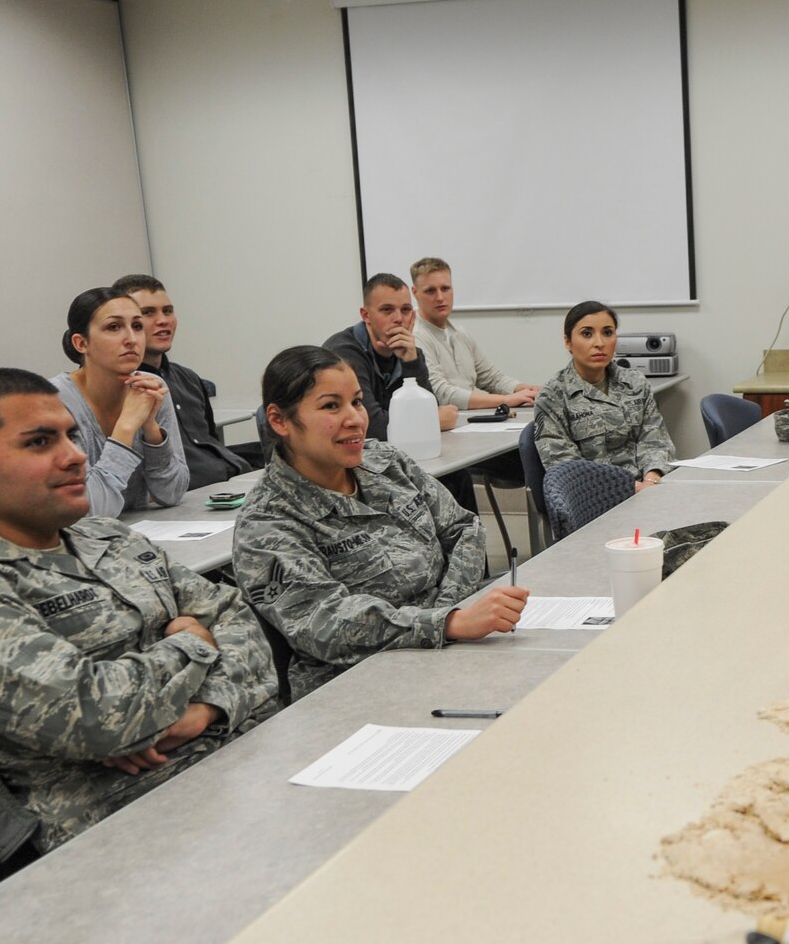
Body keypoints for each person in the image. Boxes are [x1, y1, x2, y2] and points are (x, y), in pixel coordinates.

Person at [0, 368, 277, 853]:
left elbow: (242, 623)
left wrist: (207, 707)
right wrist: (191, 642)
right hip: (123, 835)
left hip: (243, 768)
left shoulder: (107, 537)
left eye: (72, 435)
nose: (75, 456)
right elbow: (99, 716)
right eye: (39, 442)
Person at [231, 346, 527, 701]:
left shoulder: (385, 461)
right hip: (361, 685)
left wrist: (449, 614)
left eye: (356, 401)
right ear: (280, 421)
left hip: (451, 645)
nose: (355, 418)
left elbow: (464, 528)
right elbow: (325, 623)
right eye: (330, 406)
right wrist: (446, 623)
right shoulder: (268, 521)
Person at [51, 287, 188, 514]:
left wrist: (151, 429)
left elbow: (172, 493)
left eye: (137, 327)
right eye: (114, 327)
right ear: (81, 343)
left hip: (136, 535)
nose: (132, 340)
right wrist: (126, 427)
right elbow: (90, 509)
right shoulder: (54, 401)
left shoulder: (150, 387)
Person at [115, 273, 253, 486]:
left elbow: (209, 439)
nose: (163, 320)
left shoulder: (188, 377)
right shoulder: (120, 387)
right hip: (188, 492)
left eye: (168, 311)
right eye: (148, 313)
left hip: (229, 478)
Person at [533, 301, 677, 491]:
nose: (599, 343)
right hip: (596, 498)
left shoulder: (635, 383)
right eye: (587, 334)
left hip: (649, 487)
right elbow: (565, 466)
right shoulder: (553, 396)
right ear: (568, 341)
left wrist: (651, 480)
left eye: (608, 333)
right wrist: (630, 488)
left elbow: (655, 440)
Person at [322, 274, 459, 442]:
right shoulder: (343, 354)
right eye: (387, 310)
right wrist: (431, 421)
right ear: (366, 315)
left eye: (406, 310)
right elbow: (370, 426)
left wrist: (411, 363)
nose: (399, 319)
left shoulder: (412, 353)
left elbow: (429, 408)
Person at [409, 258, 540, 411]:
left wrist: (529, 390)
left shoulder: (460, 334)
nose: (440, 297)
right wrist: (507, 400)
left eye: (445, 288)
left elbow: (492, 378)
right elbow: (442, 394)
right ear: (415, 293)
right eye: (430, 291)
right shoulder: (416, 337)